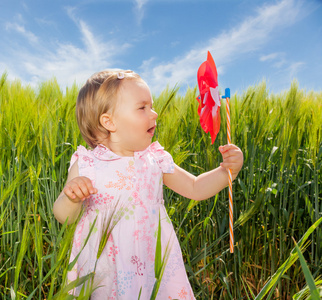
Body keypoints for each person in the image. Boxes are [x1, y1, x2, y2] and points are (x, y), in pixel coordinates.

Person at [53, 69, 244, 299]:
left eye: (151, 106)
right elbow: (64, 216)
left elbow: (195, 188)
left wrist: (227, 172)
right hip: (105, 269)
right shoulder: (87, 164)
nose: (153, 114)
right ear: (109, 121)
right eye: (142, 107)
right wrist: (72, 197)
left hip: (151, 262)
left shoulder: (154, 159)